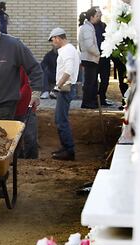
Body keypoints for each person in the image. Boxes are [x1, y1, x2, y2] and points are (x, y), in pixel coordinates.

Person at [48, 27, 80, 161]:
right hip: (67, 88)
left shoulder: (66, 51)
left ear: (58, 38)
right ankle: (65, 148)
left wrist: (57, 87)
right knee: (60, 119)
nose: (52, 43)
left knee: (61, 120)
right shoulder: (69, 49)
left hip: (65, 89)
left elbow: (68, 70)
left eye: (53, 40)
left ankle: (69, 150)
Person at [78, 7, 101, 109]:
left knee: (92, 82)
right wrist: (98, 54)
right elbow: (89, 45)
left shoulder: (89, 27)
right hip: (89, 59)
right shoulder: (87, 28)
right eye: (97, 16)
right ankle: (87, 103)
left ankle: (90, 101)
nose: (99, 17)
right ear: (92, 17)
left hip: (90, 59)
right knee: (89, 83)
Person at [15, 67, 38, 159]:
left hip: (26, 106)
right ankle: (17, 156)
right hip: (12, 106)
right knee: (15, 137)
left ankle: (31, 159)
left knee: (29, 136)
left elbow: (28, 85)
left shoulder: (26, 65)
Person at [94, 8, 111, 106]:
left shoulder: (104, 25)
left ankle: (102, 98)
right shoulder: (90, 26)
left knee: (105, 79)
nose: (100, 16)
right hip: (95, 56)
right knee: (94, 80)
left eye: (100, 14)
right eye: (98, 14)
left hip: (105, 56)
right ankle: (95, 100)